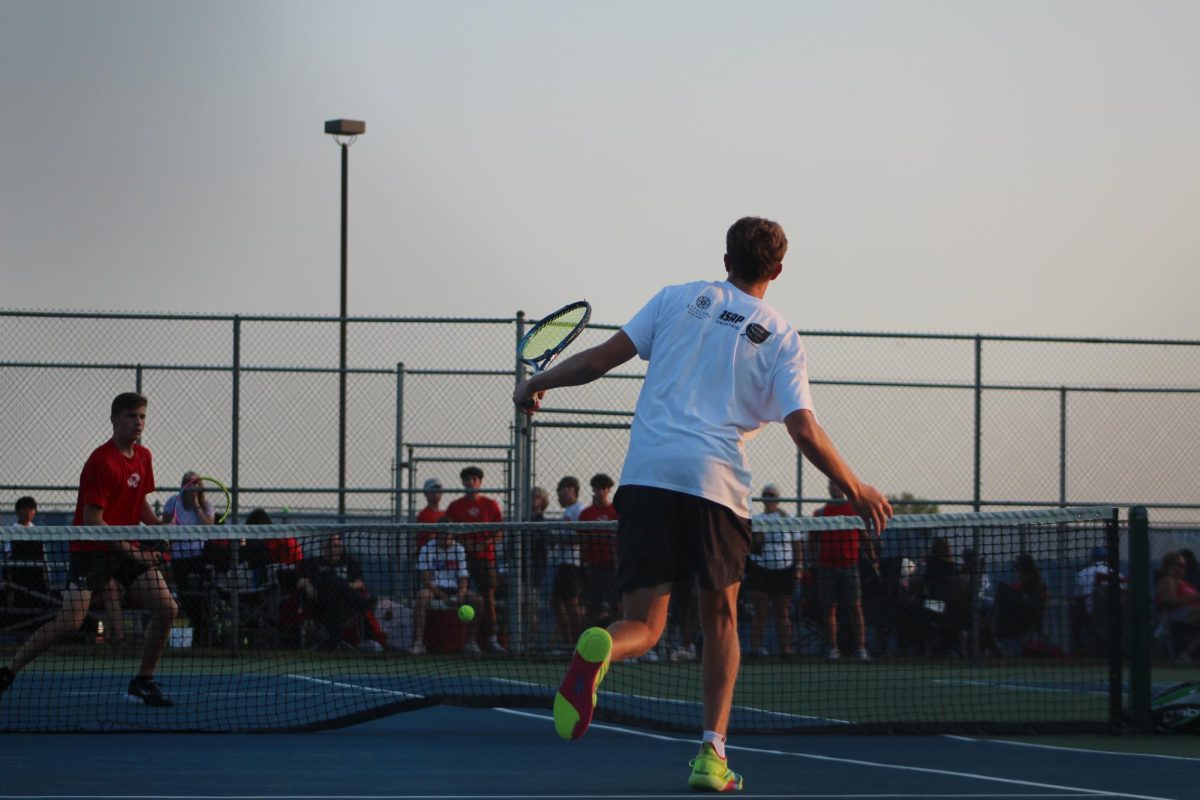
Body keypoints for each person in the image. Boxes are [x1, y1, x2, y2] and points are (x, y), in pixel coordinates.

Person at [513, 216, 891, 791]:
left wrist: (532, 385)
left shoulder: (676, 298)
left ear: (725, 259)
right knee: (721, 621)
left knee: (643, 623)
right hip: (714, 484)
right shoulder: (782, 335)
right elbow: (804, 429)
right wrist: (856, 488)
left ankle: (604, 646)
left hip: (644, 477)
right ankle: (711, 754)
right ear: (779, 270)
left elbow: (595, 362)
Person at [0, 392, 177, 706]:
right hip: (91, 550)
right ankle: (8, 672)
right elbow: (94, 521)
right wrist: (135, 552)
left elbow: (140, 507)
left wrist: (159, 527)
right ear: (115, 419)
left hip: (123, 546)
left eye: (142, 417)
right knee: (71, 620)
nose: (138, 423)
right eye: (131, 416)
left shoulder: (144, 457)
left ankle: (143, 680)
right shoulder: (101, 462)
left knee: (167, 608)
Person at [444, 466, 505, 653]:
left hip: (485, 560)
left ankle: (492, 639)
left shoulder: (490, 505)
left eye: (475, 479)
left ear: (480, 482)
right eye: (468, 479)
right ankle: (465, 641)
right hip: (461, 561)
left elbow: (499, 533)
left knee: (488, 598)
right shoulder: (455, 506)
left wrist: (482, 545)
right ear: (463, 483)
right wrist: (462, 543)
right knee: (461, 596)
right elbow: (448, 531)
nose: (471, 482)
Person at [295, 533, 385, 650]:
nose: (333, 549)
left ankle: (335, 638)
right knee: (329, 577)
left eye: (336, 546)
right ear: (323, 547)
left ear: (341, 547)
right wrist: (308, 585)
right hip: (319, 604)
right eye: (329, 546)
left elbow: (360, 583)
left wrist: (343, 586)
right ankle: (363, 603)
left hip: (344, 605)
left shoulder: (350, 563)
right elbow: (298, 582)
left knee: (334, 581)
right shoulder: (313, 563)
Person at [812, 480, 869, 661]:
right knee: (829, 609)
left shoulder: (855, 511)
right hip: (826, 567)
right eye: (832, 485)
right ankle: (833, 649)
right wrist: (811, 564)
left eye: (838, 485)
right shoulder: (820, 513)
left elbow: (865, 537)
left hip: (850, 566)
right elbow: (812, 541)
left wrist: (873, 558)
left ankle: (861, 649)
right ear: (829, 488)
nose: (835, 487)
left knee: (855, 607)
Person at [162, 472, 217, 647]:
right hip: (179, 559)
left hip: (199, 558)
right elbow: (165, 528)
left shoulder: (206, 505)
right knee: (184, 596)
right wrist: (172, 533)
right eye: (187, 482)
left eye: (195, 482)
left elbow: (209, 528)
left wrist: (196, 506)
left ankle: (203, 635)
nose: (191, 486)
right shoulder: (173, 502)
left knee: (201, 598)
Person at [746, 484, 802, 657]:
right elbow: (750, 547)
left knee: (782, 611)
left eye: (772, 495)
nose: (769, 499)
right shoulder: (756, 519)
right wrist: (758, 540)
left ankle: (786, 649)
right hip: (760, 570)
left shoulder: (788, 518)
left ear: (777, 499)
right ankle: (755, 650)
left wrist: (799, 568)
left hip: (784, 570)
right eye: (766, 495)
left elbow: (797, 545)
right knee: (760, 612)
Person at [411, 526, 480, 655]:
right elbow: (425, 580)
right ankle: (418, 642)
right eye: (444, 534)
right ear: (437, 534)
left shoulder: (459, 549)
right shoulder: (426, 549)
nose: (447, 538)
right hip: (433, 589)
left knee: (477, 600)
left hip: (454, 589)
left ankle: (470, 642)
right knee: (421, 597)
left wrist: (461, 594)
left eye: (449, 534)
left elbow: (463, 576)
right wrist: (442, 596)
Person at [548, 476, 586, 649]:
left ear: (574, 490)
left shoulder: (579, 510)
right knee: (557, 602)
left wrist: (558, 538)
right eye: (559, 490)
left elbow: (580, 536)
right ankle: (567, 641)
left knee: (571, 602)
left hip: (573, 564)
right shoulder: (567, 512)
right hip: (563, 563)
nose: (561, 493)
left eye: (566, 489)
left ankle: (576, 642)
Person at [579, 473, 620, 627]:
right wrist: (584, 565)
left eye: (604, 488)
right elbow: (582, 541)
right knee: (591, 606)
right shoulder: (586, 514)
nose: (600, 491)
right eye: (597, 488)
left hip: (612, 568)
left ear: (609, 490)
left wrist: (618, 565)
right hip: (593, 568)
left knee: (616, 605)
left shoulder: (615, 512)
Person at [1154, 551, 1200, 663]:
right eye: (1179, 565)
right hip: (1175, 614)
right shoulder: (1167, 581)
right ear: (1169, 566)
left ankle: (1188, 655)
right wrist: (1195, 597)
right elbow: (1170, 601)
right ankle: (1185, 655)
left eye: (1184, 566)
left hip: (1191, 613)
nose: (1183, 568)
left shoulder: (1185, 583)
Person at [4, 496, 47, 597]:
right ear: (18, 511)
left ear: (35, 512)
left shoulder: (37, 531)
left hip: (36, 574)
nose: (28, 512)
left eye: (31, 509)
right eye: (24, 509)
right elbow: (7, 554)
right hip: (18, 573)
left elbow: (43, 555)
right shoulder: (10, 531)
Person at [414, 478, 446, 553]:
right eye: (432, 491)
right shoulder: (424, 514)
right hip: (428, 554)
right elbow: (431, 537)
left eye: (438, 491)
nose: (436, 494)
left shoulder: (444, 514)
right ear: (426, 494)